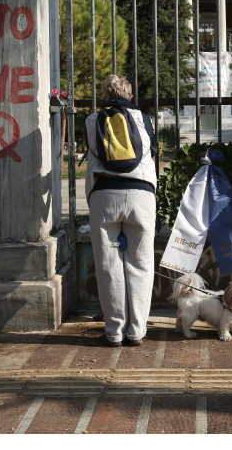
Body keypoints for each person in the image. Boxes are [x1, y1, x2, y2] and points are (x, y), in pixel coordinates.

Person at [85, 75, 158, 347]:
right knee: (140, 263)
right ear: (130, 96)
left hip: (105, 195)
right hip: (141, 195)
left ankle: (114, 331)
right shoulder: (144, 119)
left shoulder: (93, 121)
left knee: (109, 265)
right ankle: (136, 331)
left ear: (103, 97)